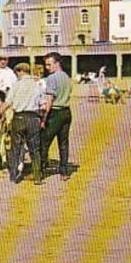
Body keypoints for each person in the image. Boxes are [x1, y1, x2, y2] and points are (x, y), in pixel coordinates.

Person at [0, 63, 43, 184]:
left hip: (19, 118)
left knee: (15, 148)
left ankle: (13, 176)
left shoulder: (16, 85)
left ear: (20, 72)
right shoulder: (37, 85)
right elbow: (43, 104)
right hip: (33, 118)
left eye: (16, 73)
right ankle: (37, 176)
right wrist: (42, 118)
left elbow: (8, 103)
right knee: (34, 149)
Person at [40, 52, 73, 181]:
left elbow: (49, 101)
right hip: (66, 111)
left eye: (49, 64)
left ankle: (41, 171)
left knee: (44, 141)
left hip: (55, 112)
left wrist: (44, 119)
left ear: (57, 63)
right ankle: (64, 171)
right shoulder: (66, 77)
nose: (47, 67)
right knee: (63, 143)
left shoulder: (51, 78)